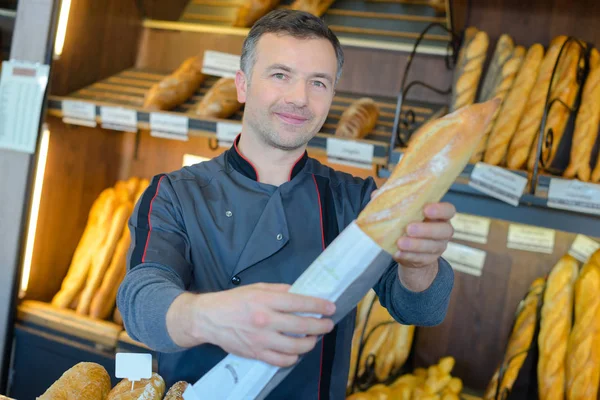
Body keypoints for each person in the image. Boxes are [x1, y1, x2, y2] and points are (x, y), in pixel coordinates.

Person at [117, 9, 455, 400]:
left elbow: (420, 311)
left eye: (318, 83)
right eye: (280, 75)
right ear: (242, 85)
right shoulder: (176, 192)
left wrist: (419, 264)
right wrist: (208, 316)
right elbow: (139, 300)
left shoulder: (355, 199)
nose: (299, 98)